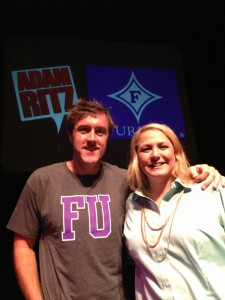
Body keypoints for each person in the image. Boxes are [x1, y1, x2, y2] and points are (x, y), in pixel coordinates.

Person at [6, 98, 225, 300]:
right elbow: (23, 245)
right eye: (84, 130)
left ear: (108, 138)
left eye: (100, 132)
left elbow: (164, 179)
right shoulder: (42, 181)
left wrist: (202, 171)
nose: (92, 138)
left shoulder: (126, 182)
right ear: (71, 135)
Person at [123, 122, 225, 300]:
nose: (155, 155)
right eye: (146, 149)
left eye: (163, 146)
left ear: (176, 153)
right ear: (137, 158)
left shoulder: (212, 190)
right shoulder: (132, 204)